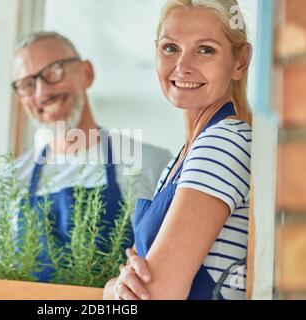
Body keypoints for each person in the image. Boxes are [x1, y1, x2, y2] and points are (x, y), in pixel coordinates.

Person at [0, 31, 173, 282]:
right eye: (27, 84)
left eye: (54, 71)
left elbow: (167, 272)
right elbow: (0, 279)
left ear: (86, 73)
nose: (42, 93)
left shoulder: (151, 162)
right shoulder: (7, 182)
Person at [103, 0, 252, 300]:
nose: (182, 66)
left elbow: (153, 296)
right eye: (171, 48)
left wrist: (112, 292)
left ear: (240, 62)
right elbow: (132, 289)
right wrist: (117, 288)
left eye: (205, 50)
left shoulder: (223, 143)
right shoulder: (182, 158)